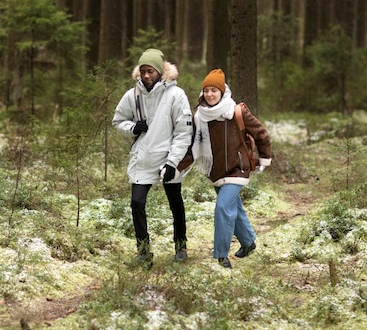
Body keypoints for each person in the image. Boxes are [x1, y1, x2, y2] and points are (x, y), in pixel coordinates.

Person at [178, 69, 272, 269]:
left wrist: (264, 158)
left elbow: (261, 133)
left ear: (222, 92)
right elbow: (191, 147)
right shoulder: (199, 117)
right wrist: (176, 168)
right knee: (234, 208)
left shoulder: (236, 111)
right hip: (215, 170)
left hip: (237, 169)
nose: (210, 94)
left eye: (214, 90)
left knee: (222, 208)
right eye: (206, 90)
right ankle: (248, 242)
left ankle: (221, 256)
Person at [112, 48, 193, 267]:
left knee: (175, 202)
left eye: (151, 71)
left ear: (160, 71)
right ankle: (143, 251)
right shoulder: (133, 95)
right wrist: (132, 127)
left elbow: (183, 133)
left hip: (169, 159)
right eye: (143, 71)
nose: (146, 76)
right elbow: (117, 121)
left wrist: (172, 162)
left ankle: (181, 245)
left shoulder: (176, 95)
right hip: (143, 159)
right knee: (137, 202)